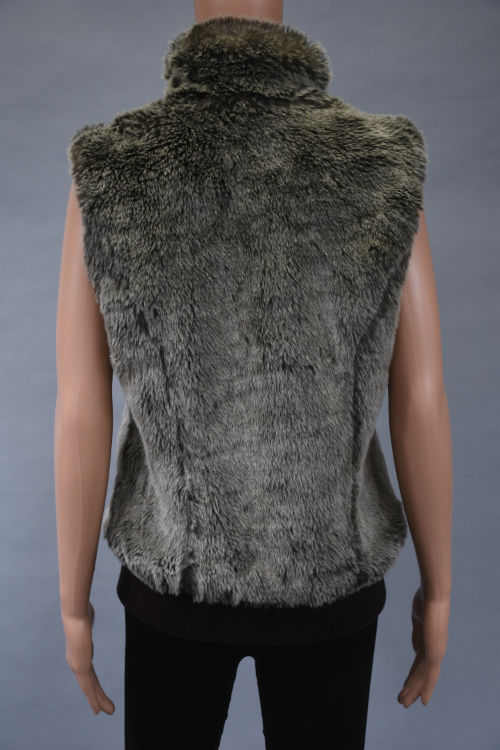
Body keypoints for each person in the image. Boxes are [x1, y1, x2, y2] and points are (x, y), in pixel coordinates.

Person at [55, 1, 452, 748]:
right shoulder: (383, 165)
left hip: (175, 581)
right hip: (329, 581)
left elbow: (79, 405)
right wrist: (440, 592)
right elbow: (422, 398)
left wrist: (73, 605)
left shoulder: (113, 168)